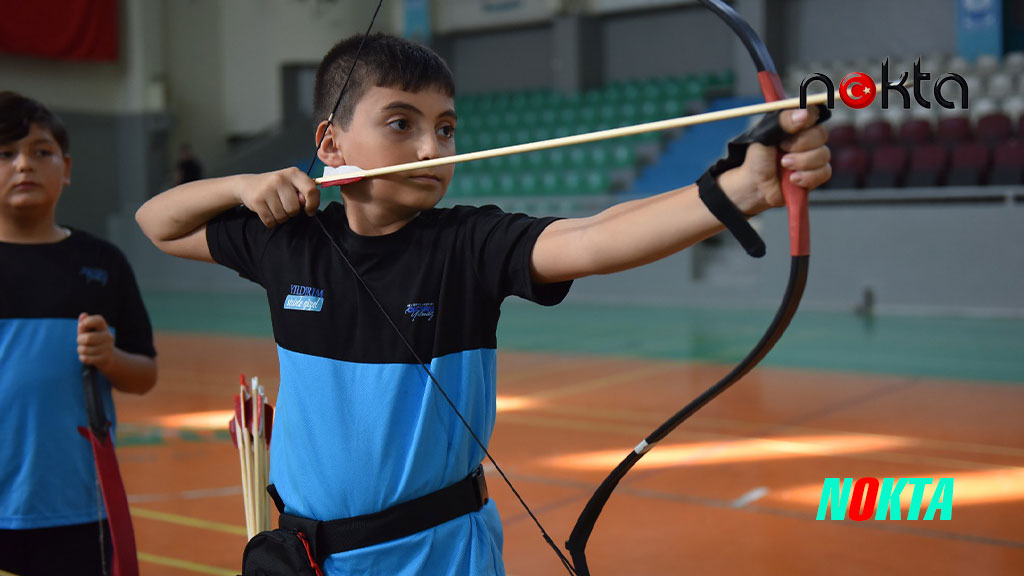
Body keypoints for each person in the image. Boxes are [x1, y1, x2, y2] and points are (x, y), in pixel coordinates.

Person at [135, 33, 830, 575]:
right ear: (330, 143)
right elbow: (157, 223)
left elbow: (590, 239)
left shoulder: (467, 244)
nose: (432, 147)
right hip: (303, 556)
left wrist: (738, 192)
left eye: (446, 127)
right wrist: (240, 185)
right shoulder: (289, 243)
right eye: (402, 124)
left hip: (431, 557)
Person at [0, 91, 158, 576]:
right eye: (6, 154)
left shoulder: (103, 264)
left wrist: (110, 358)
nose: (24, 164)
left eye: (41, 152)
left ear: (65, 168)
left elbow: (143, 374)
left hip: (77, 505)